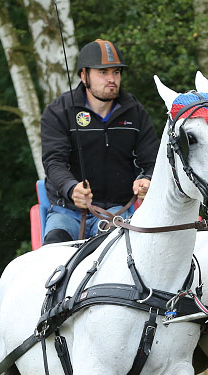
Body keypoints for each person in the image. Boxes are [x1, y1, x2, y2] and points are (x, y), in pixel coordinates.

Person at [40, 39, 158, 243]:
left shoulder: (136, 111)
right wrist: (71, 188)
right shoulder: (58, 111)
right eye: (103, 72)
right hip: (65, 211)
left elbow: (152, 161)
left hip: (114, 210)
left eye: (116, 72)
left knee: (121, 252)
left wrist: (146, 178)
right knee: (54, 250)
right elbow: (54, 162)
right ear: (84, 76)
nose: (111, 79)